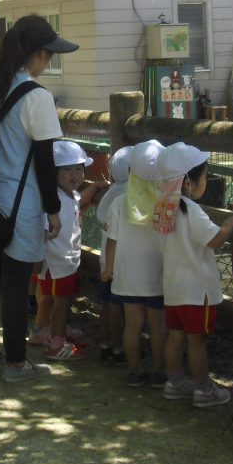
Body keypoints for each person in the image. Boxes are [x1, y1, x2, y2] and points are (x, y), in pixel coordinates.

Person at [0, 14, 79, 382]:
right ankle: (16, 362)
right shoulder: (36, 96)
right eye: (48, 55)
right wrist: (53, 208)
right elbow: (45, 160)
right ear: (38, 54)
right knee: (16, 282)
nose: (48, 62)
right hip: (20, 200)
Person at [157, 142, 233, 408]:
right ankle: (204, 390)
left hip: (173, 287)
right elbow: (215, 240)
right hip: (197, 291)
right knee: (197, 342)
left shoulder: (162, 207)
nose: (206, 180)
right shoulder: (190, 210)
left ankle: (174, 382)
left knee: (175, 336)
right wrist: (230, 223)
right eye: (204, 175)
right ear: (187, 183)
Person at [106, 139, 168, 388]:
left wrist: (108, 269)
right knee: (157, 325)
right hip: (157, 275)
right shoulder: (166, 204)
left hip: (127, 276)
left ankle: (134, 370)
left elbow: (111, 241)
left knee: (132, 325)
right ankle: (160, 371)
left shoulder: (119, 203)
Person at [29, 140, 95, 362]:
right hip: (58, 262)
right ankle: (57, 345)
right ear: (54, 173)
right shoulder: (54, 200)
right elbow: (45, 229)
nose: (74, 174)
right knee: (61, 303)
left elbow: (78, 202)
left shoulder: (67, 195)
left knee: (48, 298)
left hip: (58, 262)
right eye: (67, 169)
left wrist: (94, 188)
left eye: (79, 168)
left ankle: (40, 331)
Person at [95, 145, 131, 365]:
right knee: (117, 306)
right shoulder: (128, 193)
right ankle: (119, 347)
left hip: (106, 260)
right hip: (119, 261)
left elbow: (100, 216)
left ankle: (105, 342)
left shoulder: (113, 190)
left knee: (107, 304)